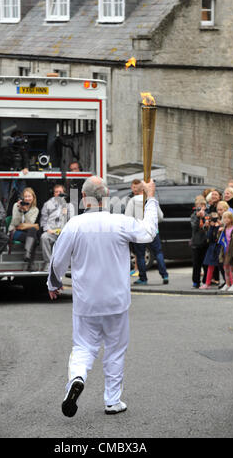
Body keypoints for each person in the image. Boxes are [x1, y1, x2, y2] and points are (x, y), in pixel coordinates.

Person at [47, 176, 158, 417]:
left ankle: (77, 378)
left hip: (86, 301)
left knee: (83, 347)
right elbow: (149, 232)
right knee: (115, 350)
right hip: (116, 300)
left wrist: (54, 283)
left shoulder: (74, 225)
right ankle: (112, 401)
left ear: (84, 198)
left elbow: (58, 259)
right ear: (106, 197)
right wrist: (150, 200)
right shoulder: (120, 222)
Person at [125, 180, 168, 285]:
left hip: (139, 231)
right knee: (158, 252)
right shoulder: (151, 200)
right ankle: (164, 275)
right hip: (153, 230)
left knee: (140, 255)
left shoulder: (133, 201)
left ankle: (143, 278)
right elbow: (160, 216)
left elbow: (127, 217)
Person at [40, 184, 74, 270]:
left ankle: (68, 263)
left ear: (64, 194)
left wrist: (65, 214)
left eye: (60, 192)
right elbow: (43, 220)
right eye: (56, 192)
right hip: (52, 232)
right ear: (53, 193)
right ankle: (48, 263)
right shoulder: (47, 204)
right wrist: (47, 229)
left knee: (73, 237)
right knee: (44, 237)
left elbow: (72, 222)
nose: (58, 194)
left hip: (64, 233)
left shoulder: (69, 206)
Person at [8, 187, 39, 271]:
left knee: (32, 231)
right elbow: (15, 223)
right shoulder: (16, 205)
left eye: (29, 196)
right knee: (34, 239)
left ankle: (27, 254)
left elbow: (30, 223)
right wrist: (19, 210)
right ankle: (30, 263)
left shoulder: (35, 209)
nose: (27, 198)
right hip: (14, 231)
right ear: (23, 198)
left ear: (33, 198)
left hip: (27, 232)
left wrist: (26, 212)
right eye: (26, 196)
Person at [190, 197, 208, 288]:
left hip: (205, 242)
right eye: (198, 206)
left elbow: (207, 227)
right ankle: (196, 281)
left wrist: (204, 217)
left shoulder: (207, 214)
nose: (200, 208)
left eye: (202, 206)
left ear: (205, 207)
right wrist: (198, 217)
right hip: (196, 243)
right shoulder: (193, 216)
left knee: (205, 263)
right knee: (196, 264)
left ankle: (206, 281)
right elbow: (194, 227)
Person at [219, 211, 233, 292]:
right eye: (224, 218)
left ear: (231, 219)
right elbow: (220, 240)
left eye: (228, 218)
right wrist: (219, 232)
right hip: (224, 251)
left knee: (232, 269)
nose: (226, 220)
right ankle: (227, 284)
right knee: (225, 269)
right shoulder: (223, 229)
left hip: (231, 252)